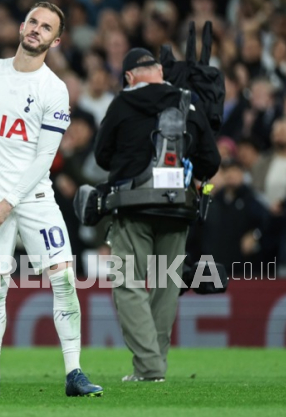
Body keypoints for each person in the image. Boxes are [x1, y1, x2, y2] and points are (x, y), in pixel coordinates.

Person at [0, 2, 103, 398]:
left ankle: (75, 373)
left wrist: (8, 202)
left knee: (63, 280)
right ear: (23, 25)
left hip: (34, 198)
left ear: (56, 40)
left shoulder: (54, 90)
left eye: (45, 27)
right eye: (32, 21)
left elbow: (45, 157)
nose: (35, 29)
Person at [94, 47, 220, 382]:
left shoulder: (122, 103)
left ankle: (149, 367)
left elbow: (103, 155)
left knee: (128, 284)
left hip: (133, 204)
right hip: (178, 207)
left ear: (130, 77)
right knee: (166, 285)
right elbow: (211, 161)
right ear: (160, 72)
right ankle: (152, 366)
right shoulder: (188, 103)